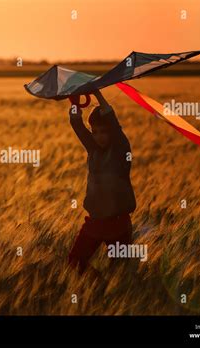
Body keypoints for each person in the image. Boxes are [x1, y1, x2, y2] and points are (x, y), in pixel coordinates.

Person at [68, 90, 136, 274]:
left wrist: (97, 93)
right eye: (95, 132)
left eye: (104, 132)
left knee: (121, 271)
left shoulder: (121, 149)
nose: (98, 136)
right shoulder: (93, 150)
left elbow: (112, 121)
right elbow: (77, 125)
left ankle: (113, 294)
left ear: (112, 132)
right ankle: (99, 290)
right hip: (95, 222)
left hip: (118, 224)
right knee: (75, 261)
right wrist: (74, 103)